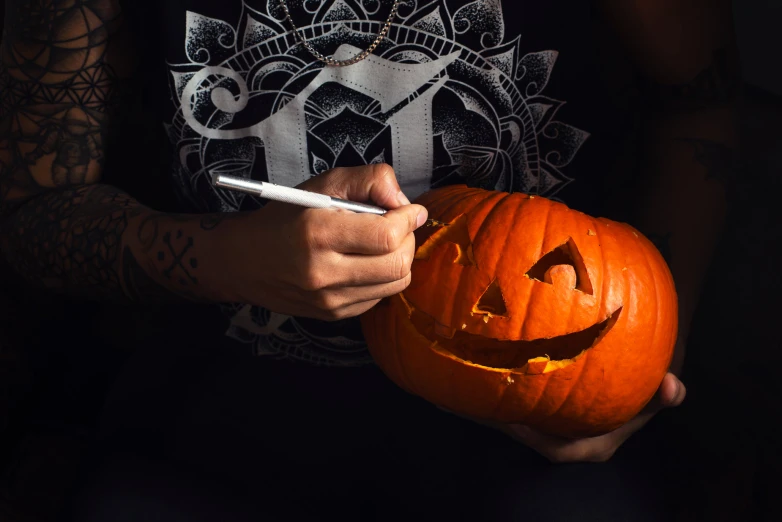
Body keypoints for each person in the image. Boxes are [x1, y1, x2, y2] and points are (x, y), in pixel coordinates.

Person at [0, 0, 739, 520]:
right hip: (212, 418)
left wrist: (642, 344)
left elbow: (701, 102)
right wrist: (223, 260)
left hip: (523, 444)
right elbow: (31, 217)